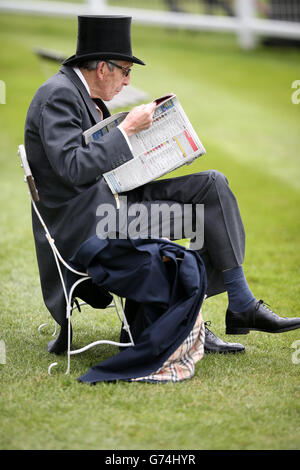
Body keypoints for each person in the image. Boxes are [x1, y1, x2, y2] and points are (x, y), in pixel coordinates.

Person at [25, 15, 300, 355]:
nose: (127, 82)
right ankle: (193, 321)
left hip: (111, 202)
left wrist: (154, 144)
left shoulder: (82, 94)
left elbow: (96, 164)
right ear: (102, 68)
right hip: (89, 226)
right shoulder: (57, 96)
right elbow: (73, 168)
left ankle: (239, 302)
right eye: (125, 70)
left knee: (213, 186)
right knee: (209, 221)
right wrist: (126, 132)